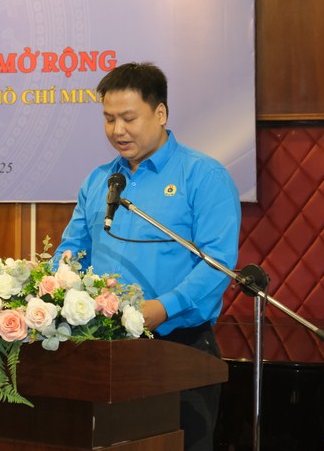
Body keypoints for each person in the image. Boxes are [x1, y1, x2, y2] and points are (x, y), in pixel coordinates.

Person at [54, 62, 241, 451]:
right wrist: (57, 288)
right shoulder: (100, 180)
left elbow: (217, 263)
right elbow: (71, 250)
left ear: (160, 113)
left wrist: (163, 307)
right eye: (109, 119)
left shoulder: (203, 176)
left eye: (128, 118)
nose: (117, 130)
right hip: (104, 349)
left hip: (179, 348)